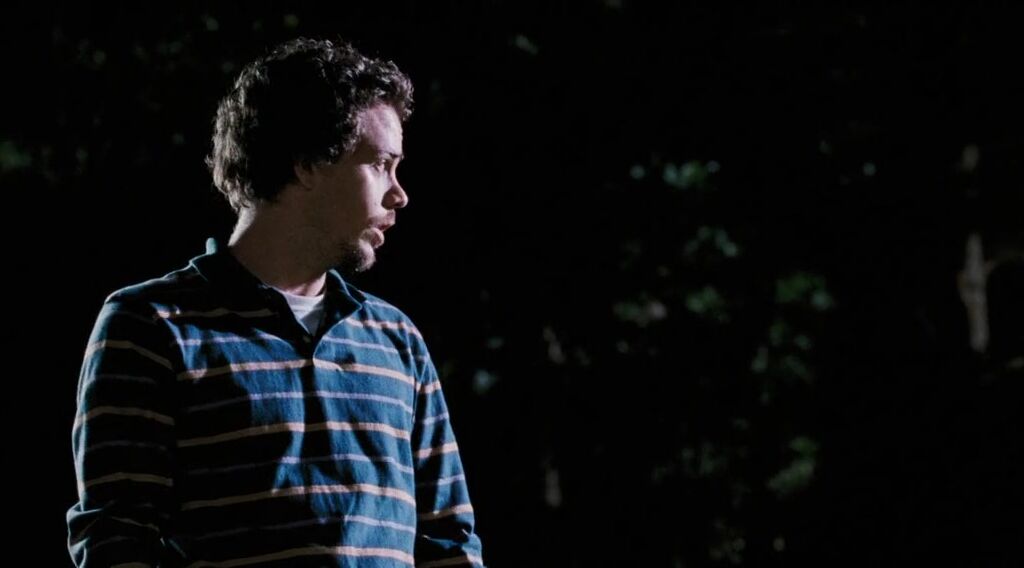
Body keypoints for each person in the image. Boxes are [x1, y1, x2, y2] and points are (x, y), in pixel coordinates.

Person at [67, 37, 484, 567]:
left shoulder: (397, 341)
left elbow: (449, 544)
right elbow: (118, 541)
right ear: (307, 162)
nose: (399, 193)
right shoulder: (151, 327)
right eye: (381, 163)